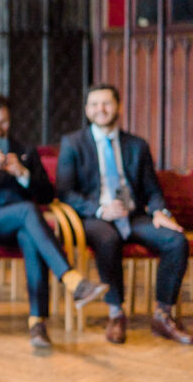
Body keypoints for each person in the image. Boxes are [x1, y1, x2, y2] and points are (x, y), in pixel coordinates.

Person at [0, 93, 107, 348]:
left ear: (9, 120)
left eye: (2, 122)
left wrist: (23, 174)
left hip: (24, 222)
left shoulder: (24, 150)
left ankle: (38, 323)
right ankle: (70, 278)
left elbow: (47, 194)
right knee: (28, 212)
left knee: (31, 235)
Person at [56, 83, 191, 345]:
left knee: (176, 240)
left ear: (118, 107)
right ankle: (116, 313)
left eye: (106, 103)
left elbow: (152, 189)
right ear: (87, 109)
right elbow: (65, 193)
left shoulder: (136, 145)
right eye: (94, 104)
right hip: (95, 218)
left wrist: (159, 212)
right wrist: (99, 209)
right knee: (108, 240)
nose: (101, 109)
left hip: (133, 215)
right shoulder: (73, 143)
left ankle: (163, 315)